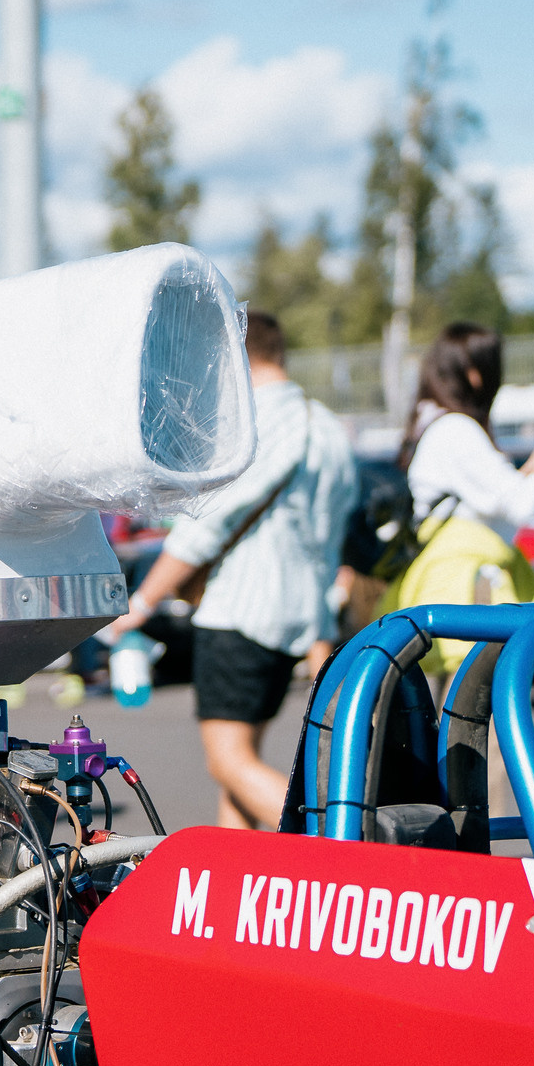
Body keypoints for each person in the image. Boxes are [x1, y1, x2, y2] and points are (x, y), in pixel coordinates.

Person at [102, 311, 358, 830]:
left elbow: (206, 527)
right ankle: (238, 877)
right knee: (239, 771)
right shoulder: (328, 427)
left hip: (241, 613)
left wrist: (142, 603)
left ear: (236, 359)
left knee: (229, 762)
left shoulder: (255, 425)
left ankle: (337, 845)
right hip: (302, 617)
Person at [383, 321, 534, 678]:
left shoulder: (437, 425)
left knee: (456, 698)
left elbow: (495, 495)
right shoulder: (456, 430)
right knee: (473, 698)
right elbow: (523, 505)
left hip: (450, 582)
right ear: (474, 374)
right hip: (468, 588)